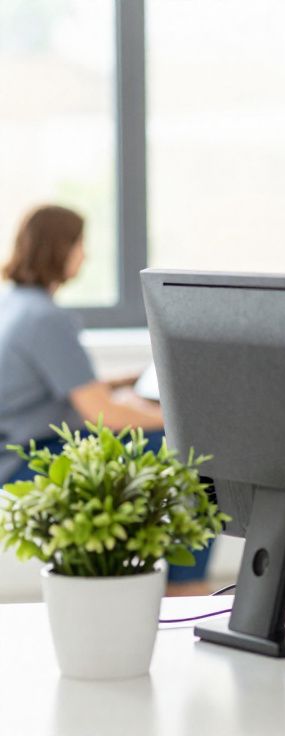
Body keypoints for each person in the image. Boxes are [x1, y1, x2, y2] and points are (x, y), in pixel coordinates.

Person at [0, 205, 211, 594]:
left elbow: (61, 390)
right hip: (24, 462)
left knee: (152, 431)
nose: (85, 255)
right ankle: (185, 585)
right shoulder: (46, 319)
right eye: (80, 244)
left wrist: (130, 381)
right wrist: (185, 418)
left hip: (14, 451)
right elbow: (103, 414)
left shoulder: (15, 304)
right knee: (183, 452)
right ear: (60, 248)